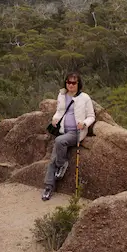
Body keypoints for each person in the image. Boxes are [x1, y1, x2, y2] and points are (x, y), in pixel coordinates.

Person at [42, 72, 95, 201]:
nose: (70, 85)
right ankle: (48, 187)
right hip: (62, 130)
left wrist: (84, 124)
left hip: (75, 133)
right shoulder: (62, 95)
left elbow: (91, 116)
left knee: (59, 141)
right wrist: (55, 119)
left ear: (78, 84)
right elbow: (59, 111)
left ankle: (62, 163)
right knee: (53, 159)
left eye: (73, 83)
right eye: (68, 82)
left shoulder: (85, 98)